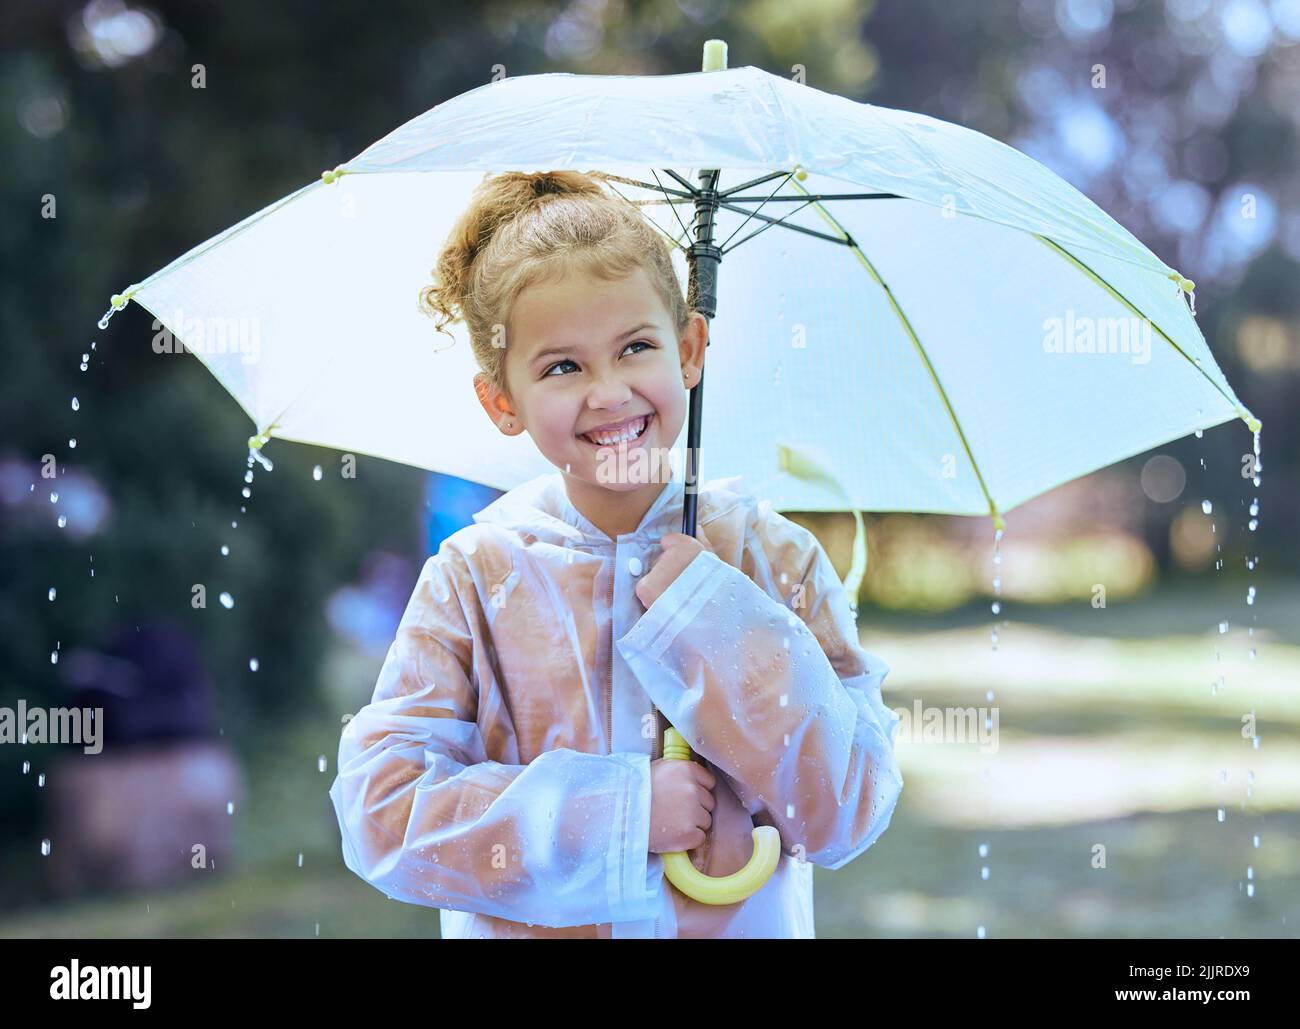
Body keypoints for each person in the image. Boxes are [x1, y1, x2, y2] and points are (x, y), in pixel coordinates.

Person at [328, 170, 904, 939]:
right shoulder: (473, 576)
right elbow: (383, 812)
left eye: (635, 347)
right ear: (501, 399)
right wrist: (626, 811)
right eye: (562, 365)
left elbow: (850, 808)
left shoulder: (773, 557)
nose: (608, 393)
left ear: (690, 347)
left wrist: (717, 620)